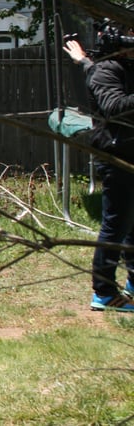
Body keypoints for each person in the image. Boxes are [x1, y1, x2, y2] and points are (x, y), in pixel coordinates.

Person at [85, 28, 134, 312]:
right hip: (116, 156)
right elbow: (113, 107)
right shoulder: (105, 70)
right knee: (115, 224)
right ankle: (103, 292)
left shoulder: (127, 68)